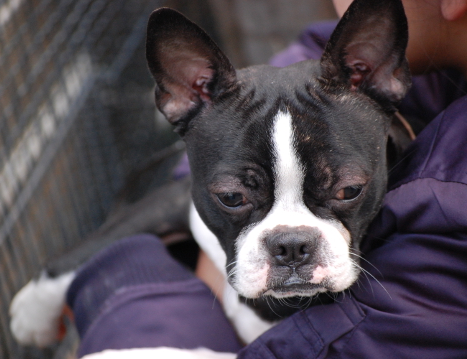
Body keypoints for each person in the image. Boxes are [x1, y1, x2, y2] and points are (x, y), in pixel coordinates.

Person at [66, 0, 467, 357]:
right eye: (235, 199)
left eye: (345, 192)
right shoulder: (407, 65)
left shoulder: (449, 200)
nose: (291, 247)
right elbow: (305, 55)